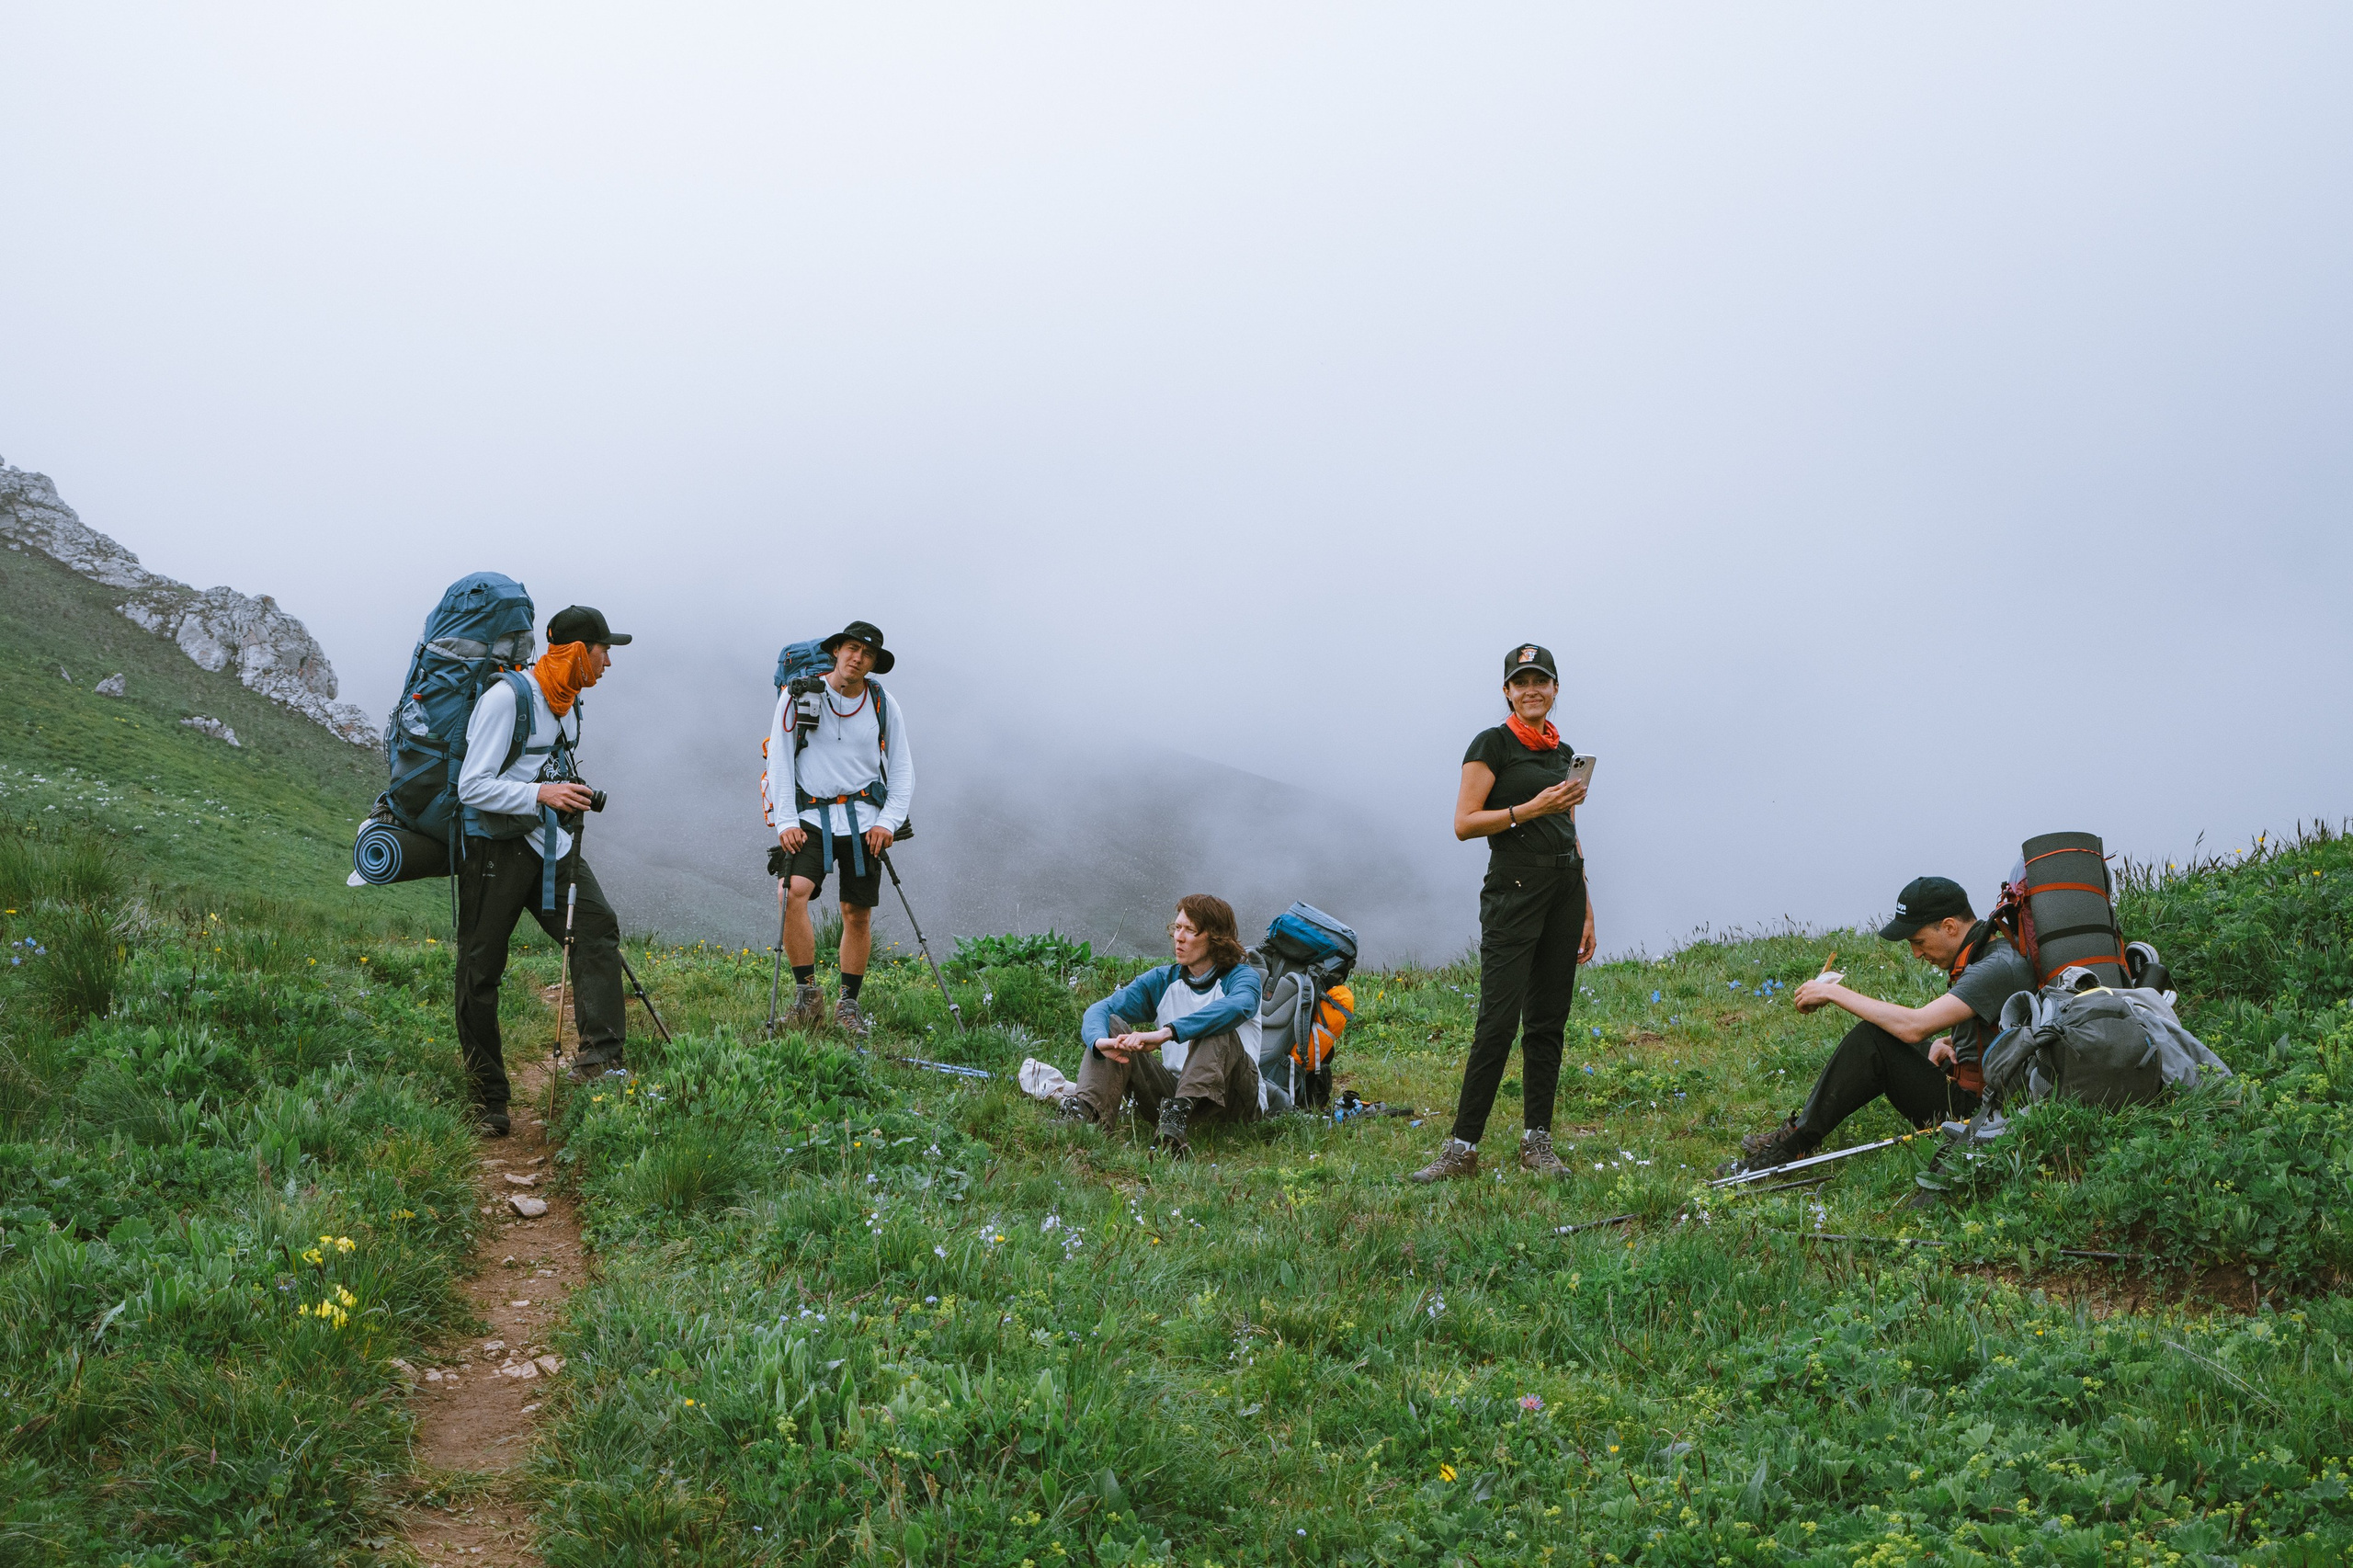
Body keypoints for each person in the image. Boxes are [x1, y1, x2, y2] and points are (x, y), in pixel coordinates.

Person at [1409, 642, 1597, 1184]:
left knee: (1548, 1020)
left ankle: (1537, 1142)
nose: (1531, 690)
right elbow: (1464, 823)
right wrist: (1528, 809)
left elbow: (1568, 828)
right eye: (1521, 682)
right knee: (1497, 1020)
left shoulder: (1564, 753)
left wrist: (1586, 904)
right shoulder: (1491, 744)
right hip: (1514, 888)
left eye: (1541, 681)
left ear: (1555, 689)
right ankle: (1461, 1148)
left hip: (1564, 887)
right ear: (1508, 692)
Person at [454, 605, 633, 1135]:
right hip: (496, 849)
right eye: (603, 651)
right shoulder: (507, 699)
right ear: (578, 651)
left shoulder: (567, 703)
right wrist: (542, 794)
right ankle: (488, 1098)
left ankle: (600, 1064)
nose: (607, 662)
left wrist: (564, 793)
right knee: (481, 968)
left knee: (596, 928)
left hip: (551, 843)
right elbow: (471, 786)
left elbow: (544, 767)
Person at [1723, 875, 2037, 1175]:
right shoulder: (1986, 954)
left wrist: (1833, 992)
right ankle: (1796, 1133)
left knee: (1873, 1040)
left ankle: (1791, 1147)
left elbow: (1914, 1026)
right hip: (1978, 1089)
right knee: (1889, 1035)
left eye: (1919, 941)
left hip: (1981, 1116)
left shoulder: (1995, 966)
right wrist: (1955, 1044)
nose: (1916, 953)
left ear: (1949, 926)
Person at [761, 619, 915, 1038]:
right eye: (852, 648)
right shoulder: (798, 696)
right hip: (811, 817)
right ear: (836, 651)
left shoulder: (882, 702)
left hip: (866, 822)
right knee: (790, 893)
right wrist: (786, 821)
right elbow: (779, 759)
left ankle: (848, 1004)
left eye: (867, 654)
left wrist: (888, 821)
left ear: (873, 663)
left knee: (856, 912)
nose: (857, 658)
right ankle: (808, 997)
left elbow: (902, 768)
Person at [1058, 894, 1267, 1156]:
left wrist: (1168, 1032)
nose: (1179, 937)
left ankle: (1176, 1121)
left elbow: (1238, 1006)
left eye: (1190, 930)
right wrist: (1101, 1042)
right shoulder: (1162, 980)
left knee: (1216, 1029)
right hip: (1172, 1097)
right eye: (1177, 928)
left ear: (1215, 938)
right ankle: (1087, 1115)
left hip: (1234, 1100)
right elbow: (1100, 1009)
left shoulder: (1243, 978)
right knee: (1111, 1024)